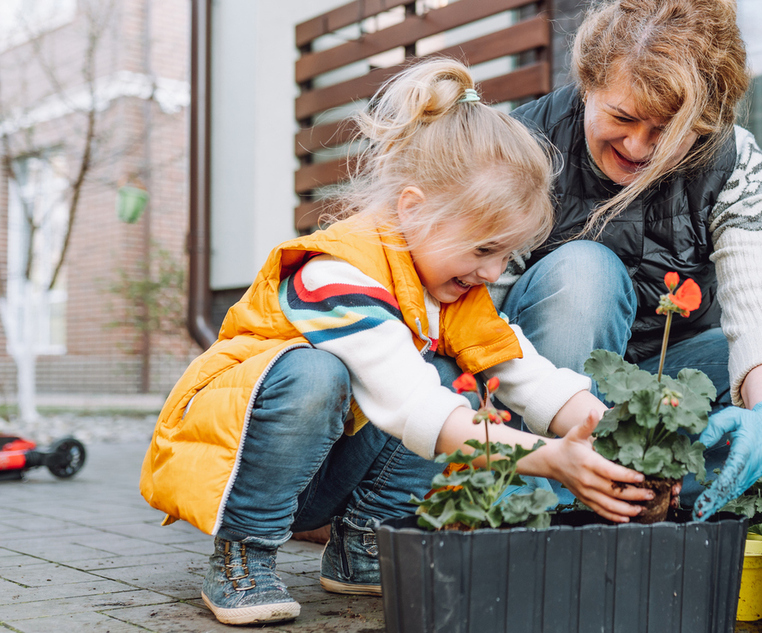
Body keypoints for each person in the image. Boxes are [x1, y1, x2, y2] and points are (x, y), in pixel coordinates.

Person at [139, 59, 652, 627]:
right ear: (413, 209)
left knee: (444, 366)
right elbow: (418, 409)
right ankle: (243, 554)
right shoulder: (336, 274)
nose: (494, 271)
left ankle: (363, 548)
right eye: (484, 249)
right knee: (321, 376)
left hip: (319, 472)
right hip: (235, 462)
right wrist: (548, 459)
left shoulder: (446, 286)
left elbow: (526, 373)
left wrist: (613, 438)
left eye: (506, 254)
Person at [494, 0, 762, 518]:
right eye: (622, 116)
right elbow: (479, 315)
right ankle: (546, 496)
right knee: (584, 272)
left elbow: (759, 309)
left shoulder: (732, 161)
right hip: (538, 384)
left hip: (661, 373)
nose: (638, 146)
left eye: (665, 129)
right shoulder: (524, 145)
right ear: (587, 83)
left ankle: (642, 490)